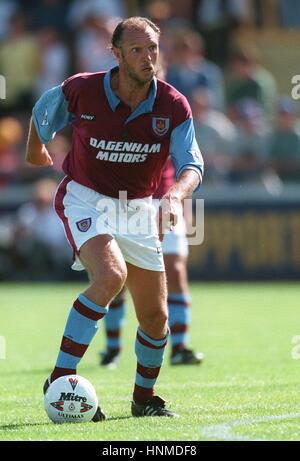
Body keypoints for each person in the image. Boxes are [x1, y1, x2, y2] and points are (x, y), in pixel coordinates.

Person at [25, 16, 203, 419]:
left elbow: (191, 162)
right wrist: (36, 148)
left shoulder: (173, 104)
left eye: (153, 49)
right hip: (86, 198)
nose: (147, 57)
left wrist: (175, 195)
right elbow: (41, 109)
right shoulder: (82, 89)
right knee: (110, 276)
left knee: (156, 317)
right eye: (137, 50)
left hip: (139, 206)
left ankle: (143, 400)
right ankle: (59, 379)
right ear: (117, 54)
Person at [100, 157, 204, 367]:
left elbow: (187, 165)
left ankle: (180, 348)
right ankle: (113, 349)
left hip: (166, 203)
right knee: (118, 276)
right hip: (125, 203)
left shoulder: (176, 123)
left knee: (175, 271)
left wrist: (186, 206)